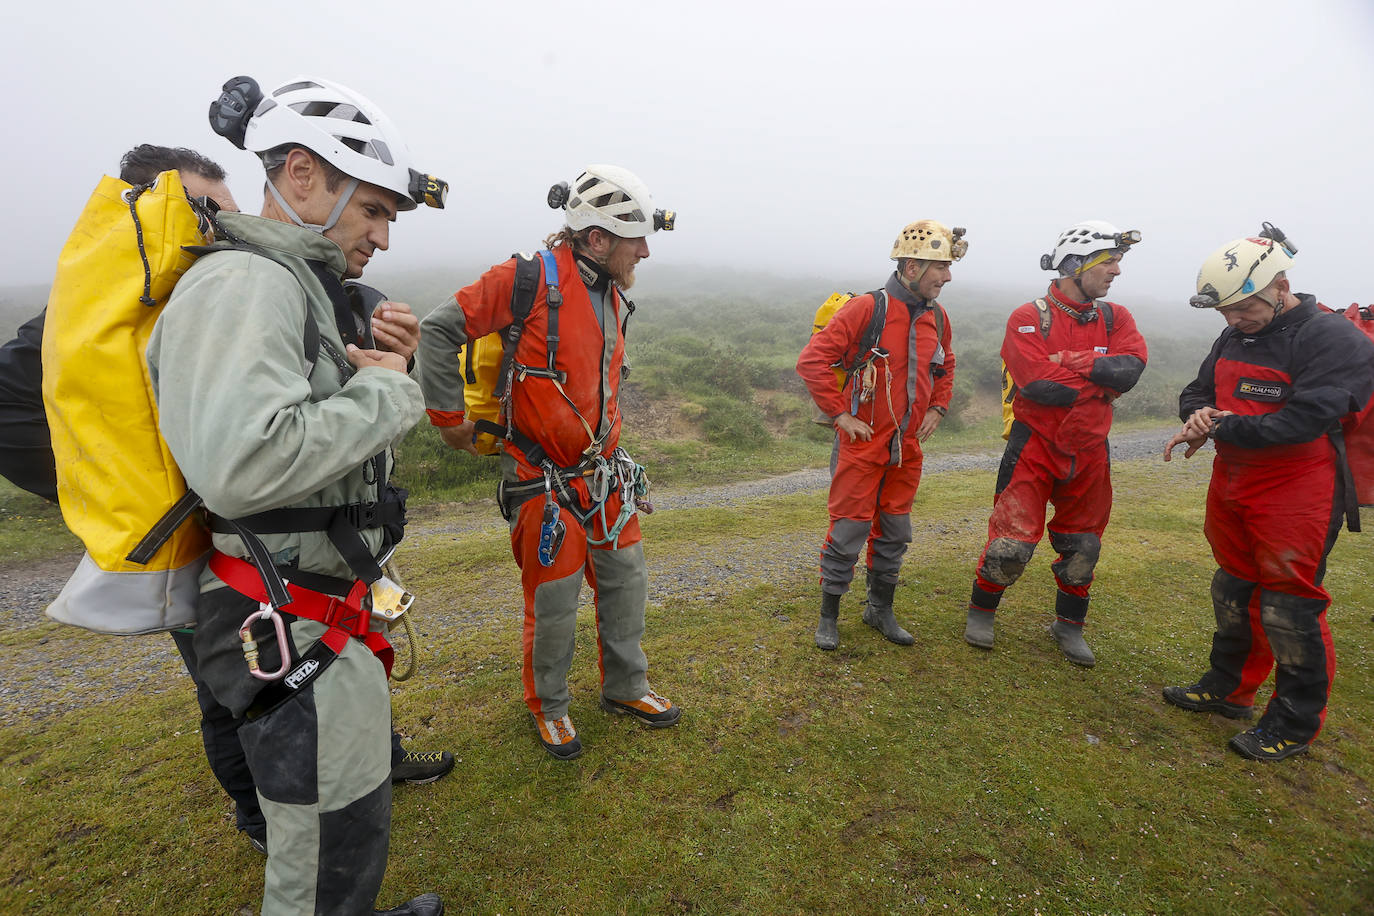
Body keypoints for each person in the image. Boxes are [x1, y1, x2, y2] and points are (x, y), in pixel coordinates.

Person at [1, 144, 453, 859]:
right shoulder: (218, 289)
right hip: (245, 568)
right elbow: (243, 460)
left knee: (310, 744)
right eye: (203, 209)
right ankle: (268, 827)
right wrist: (137, 493)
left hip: (289, 562)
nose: (220, 221)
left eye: (223, 205)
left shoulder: (285, 283)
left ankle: (319, 818)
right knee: (241, 713)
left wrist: (380, 352)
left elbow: (309, 392)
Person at [146, 76, 446, 915]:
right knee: (320, 839)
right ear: (304, 175)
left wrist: (390, 370)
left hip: (310, 602)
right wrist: (387, 395)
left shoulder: (302, 286)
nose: (383, 237)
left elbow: (338, 440)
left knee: (341, 820)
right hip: (288, 612)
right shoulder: (248, 285)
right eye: (375, 210)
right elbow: (243, 465)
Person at [419, 164, 680, 761]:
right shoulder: (526, 279)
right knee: (556, 600)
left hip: (605, 473)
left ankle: (626, 689)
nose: (644, 250)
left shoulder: (610, 290)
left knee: (626, 581)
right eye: (634, 238)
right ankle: (550, 707)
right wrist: (449, 419)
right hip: (541, 477)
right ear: (596, 239)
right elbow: (439, 330)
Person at [1162, 223, 1374, 761]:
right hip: (1235, 483)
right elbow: (1197, 390)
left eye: (1243, 307)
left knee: (1289, 606)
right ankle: (1229, 689)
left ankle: (1295, 722)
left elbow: (1304, 421)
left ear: (1280, 284)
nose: (1233, 321)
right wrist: (1198, 414)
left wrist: (1221, 426)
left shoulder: (1332, 337)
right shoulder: (1236, 331)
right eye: (1225, 313)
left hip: (1299, 489)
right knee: (1233, 589)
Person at [963, 221, 1147, 667]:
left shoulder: (1115, 317)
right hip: (1034, 447)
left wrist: (1072, 361)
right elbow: (1038, 385)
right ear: (1075, 264)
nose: (1117, 272)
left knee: (1084, 545)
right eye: (1109, 262)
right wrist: (1098, 377)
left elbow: (1131, 370)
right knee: (1010, 545)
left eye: (1118, 262)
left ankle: (1069, 626)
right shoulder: (1028, 316)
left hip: (1090, 451)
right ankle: (981, 613)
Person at [796, 220, 961, 651]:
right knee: (848, 530)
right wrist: (839, 416)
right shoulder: (868, 309)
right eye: (939, 268)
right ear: (911, 266)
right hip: (861, 445)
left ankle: (879, 610)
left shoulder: (938, 318)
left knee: (894, 531)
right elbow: (813, 361)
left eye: (947, 268)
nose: (947, 277)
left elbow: (945, 366)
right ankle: (828, 616)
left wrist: (939, 407)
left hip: (906, 449)